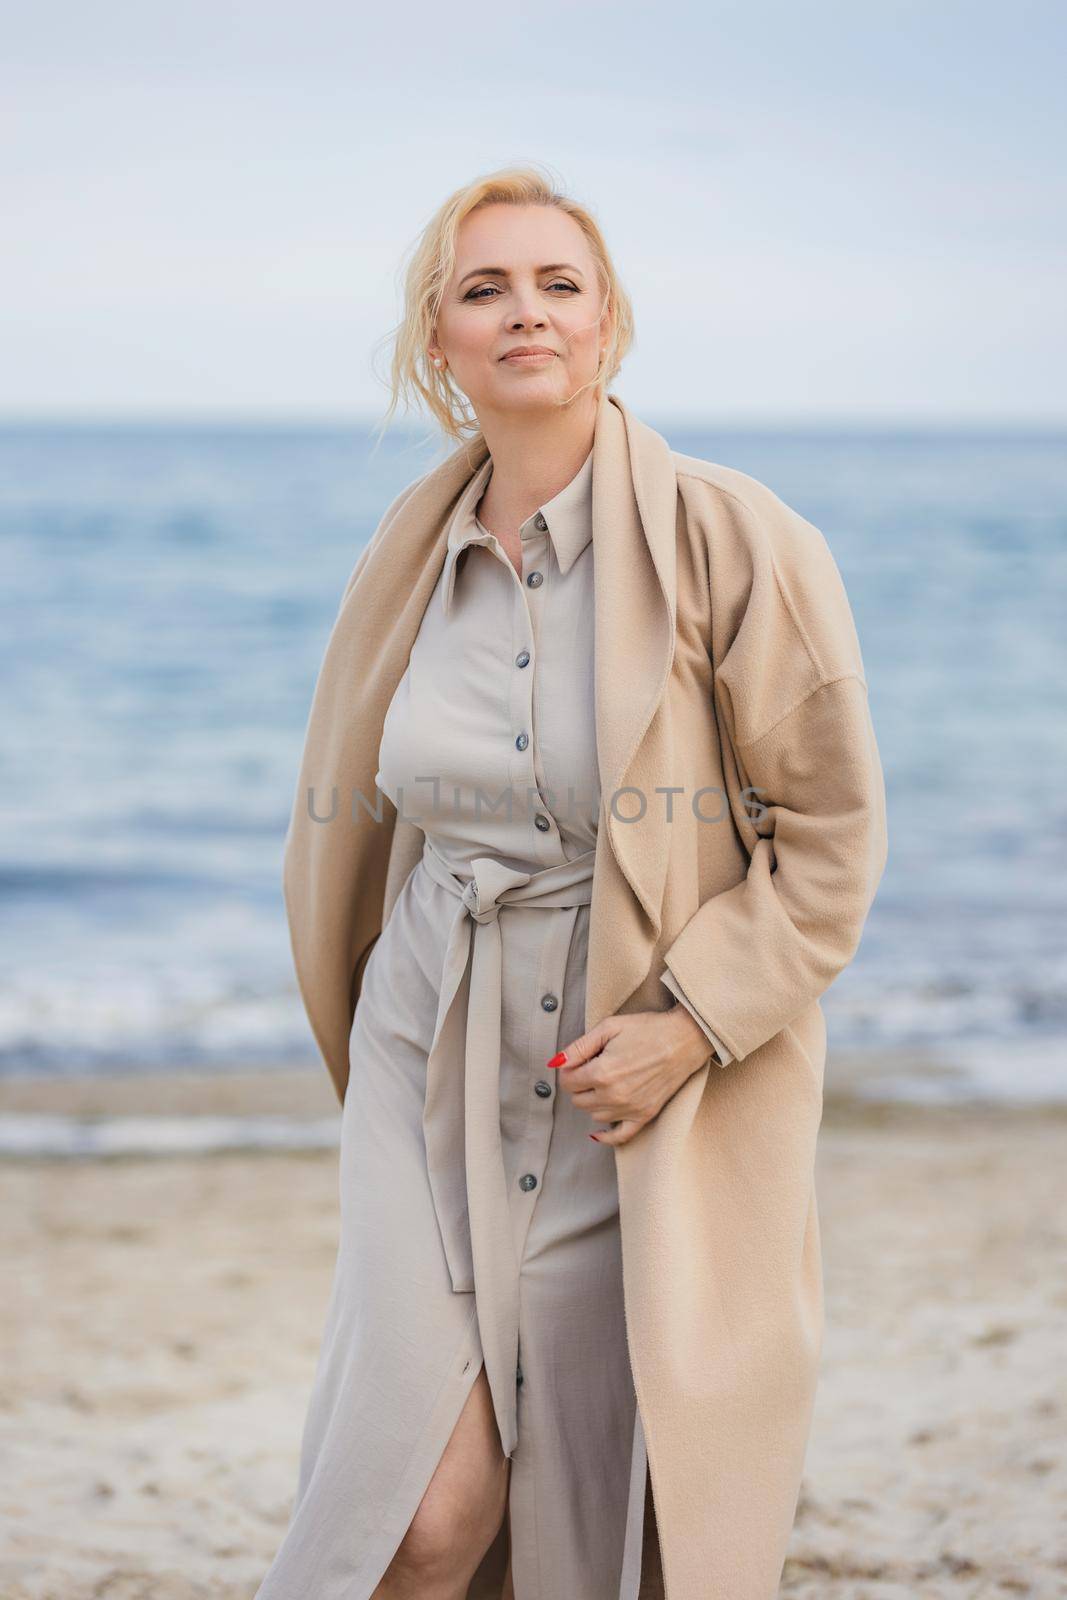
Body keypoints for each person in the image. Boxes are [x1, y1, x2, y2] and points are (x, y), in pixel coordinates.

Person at [254, 164, 888, 1600]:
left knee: (601, 1511)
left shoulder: (740, 540)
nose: (523, 313)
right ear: (439, 343)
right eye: (485, 289)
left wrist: (692, 1022)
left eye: (558, 285)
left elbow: (833, 835)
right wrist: (362, 1031)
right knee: (418, 1511)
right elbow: (357, 820)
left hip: (635, 1082)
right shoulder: (403, 562)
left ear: (609, 328)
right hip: (426, 1058)